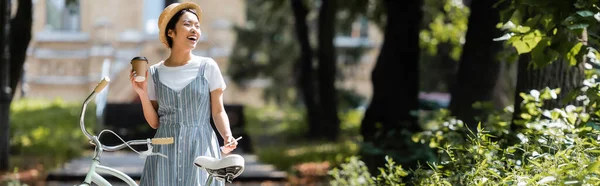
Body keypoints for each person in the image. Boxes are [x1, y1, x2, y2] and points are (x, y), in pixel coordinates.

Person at [130, 2, 237, 185]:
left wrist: (227, 135)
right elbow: (155, 122)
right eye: (188, 24)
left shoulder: (208, 66)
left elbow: (218, 111)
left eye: (197, 26)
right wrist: (142, 94)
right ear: (171, 32)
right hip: (164, 152)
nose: (194, 30)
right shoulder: (155, 72)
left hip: (200, 147)